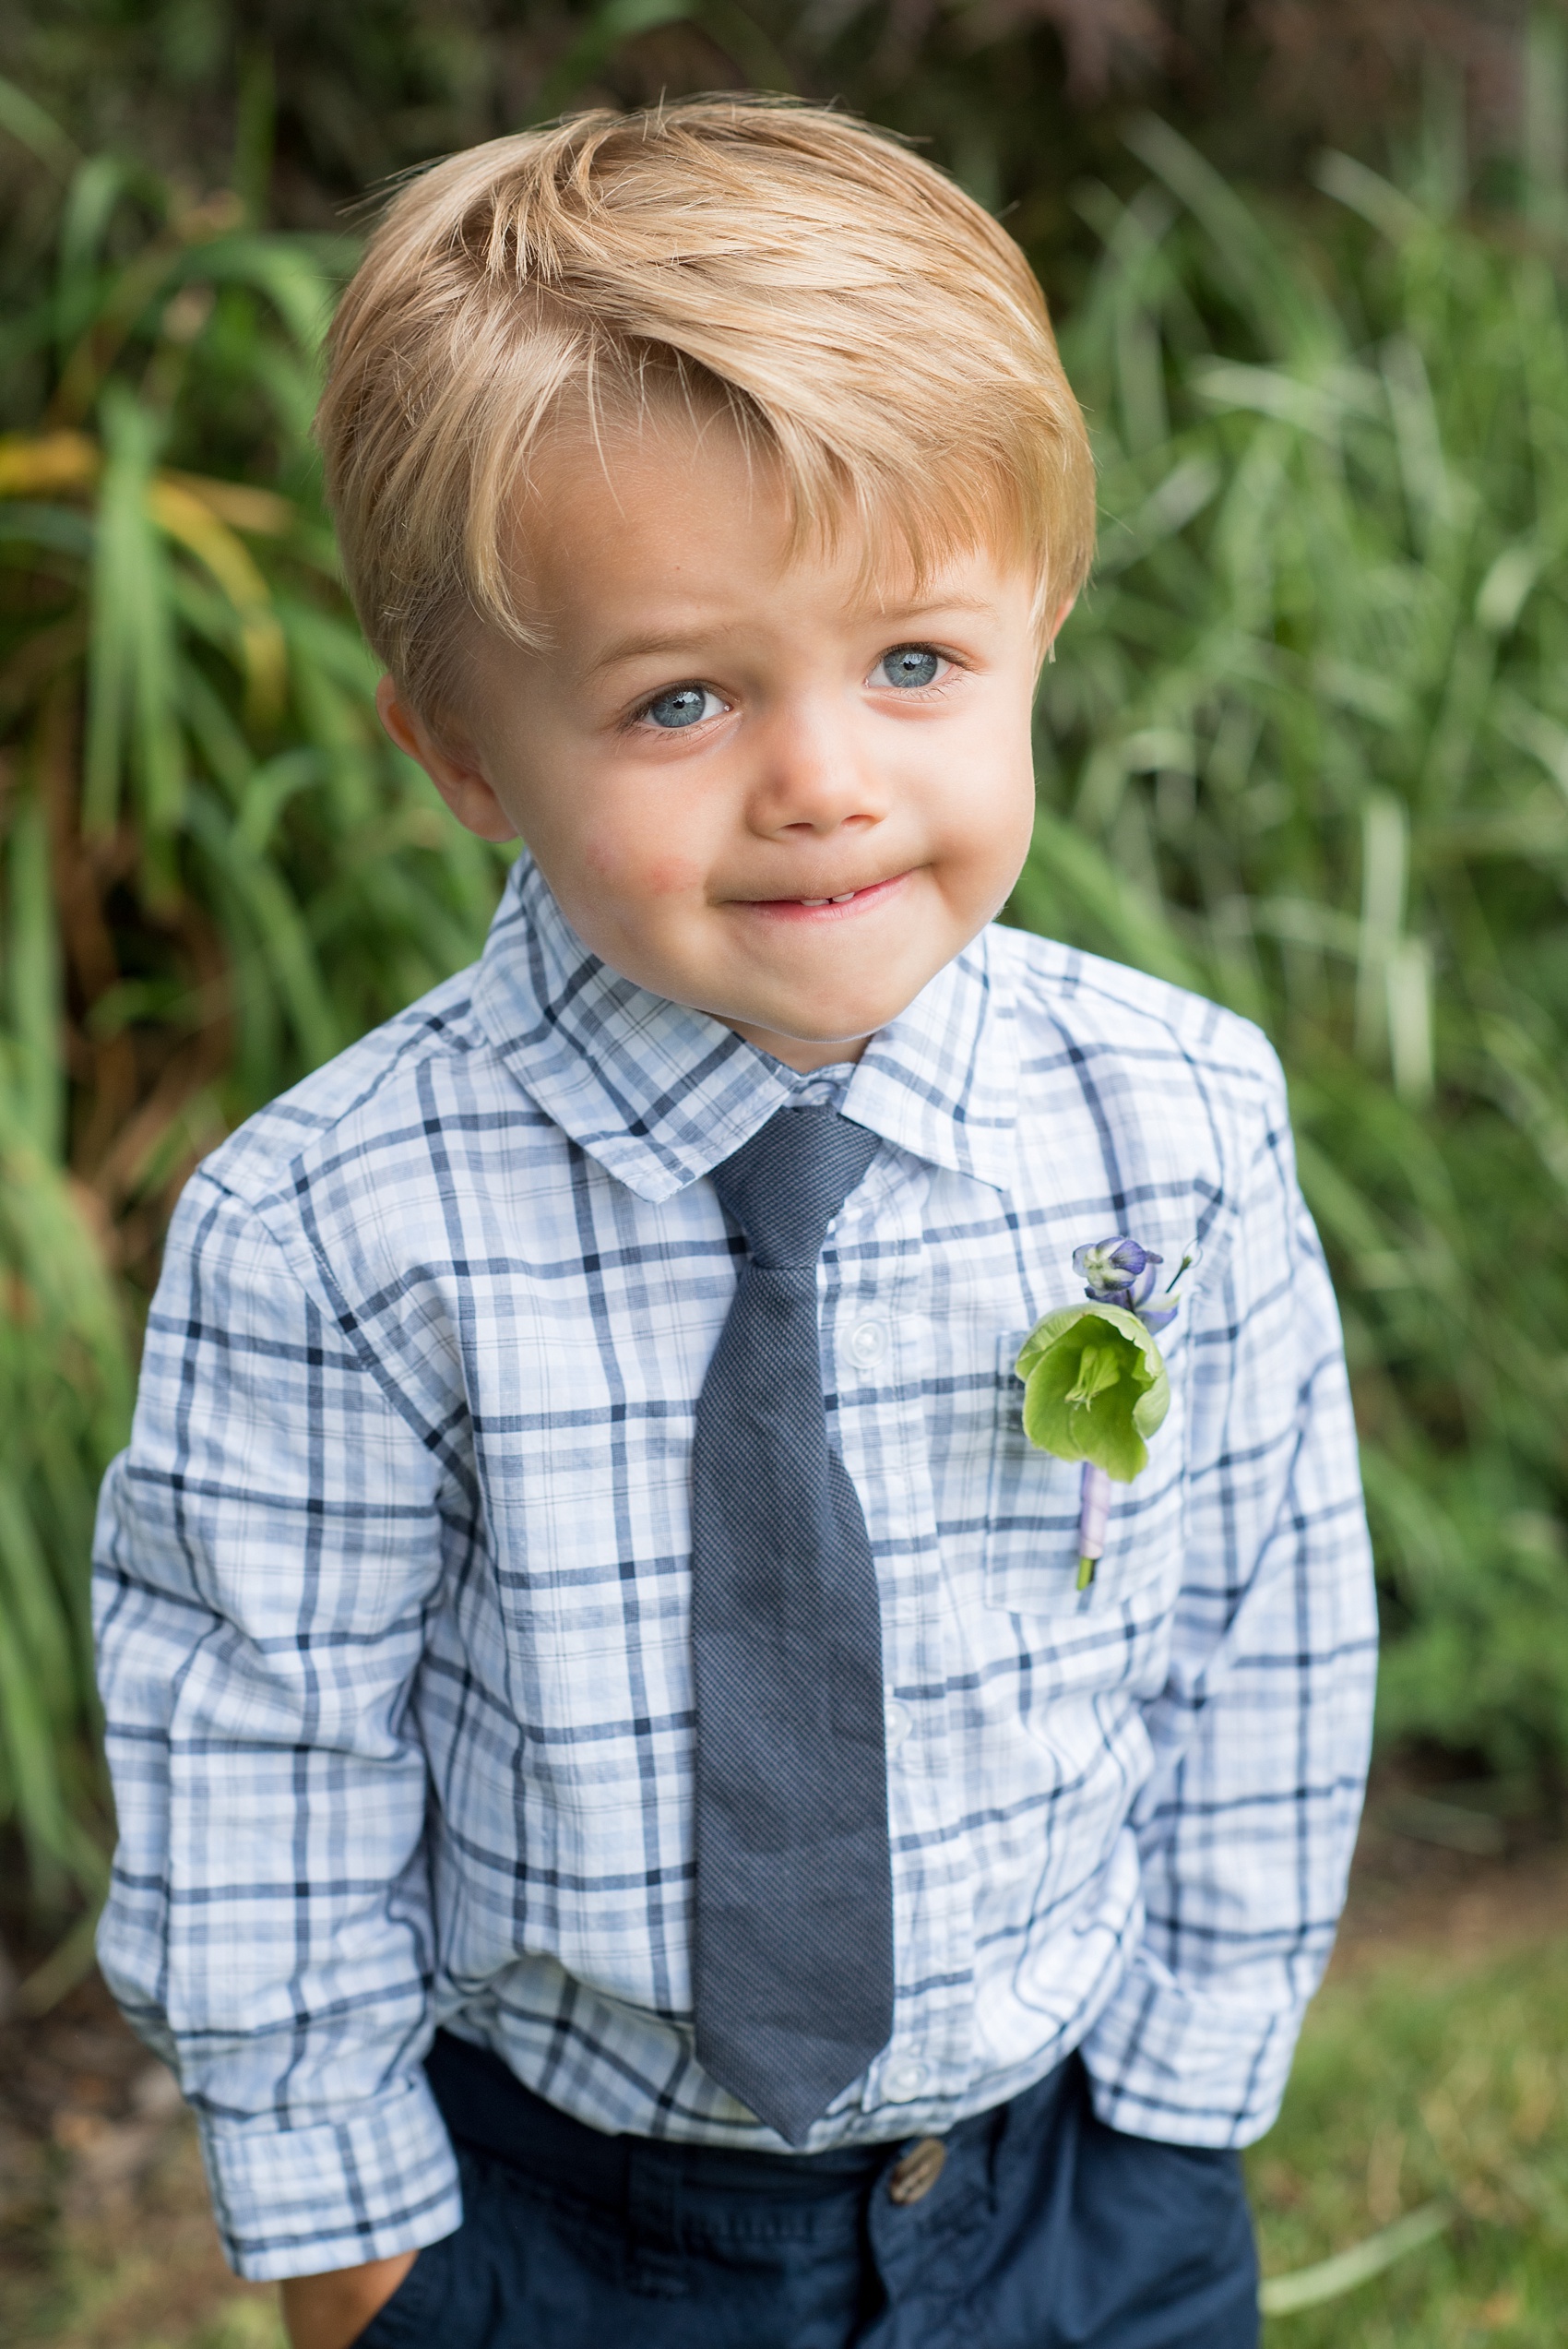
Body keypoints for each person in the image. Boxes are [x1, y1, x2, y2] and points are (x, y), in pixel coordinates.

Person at [92, 97, 1377, 2349]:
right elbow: (265, 1754)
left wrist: (1184, 2098)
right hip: (566, 2228)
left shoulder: (1171, 1120)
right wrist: (356, 2256)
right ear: (464, 755)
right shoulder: (337, 1231)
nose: (824, 778)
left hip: (1073, 2185)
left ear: (1037, 629)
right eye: (681, 696)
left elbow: (1257, 1620)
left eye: (913, 664)